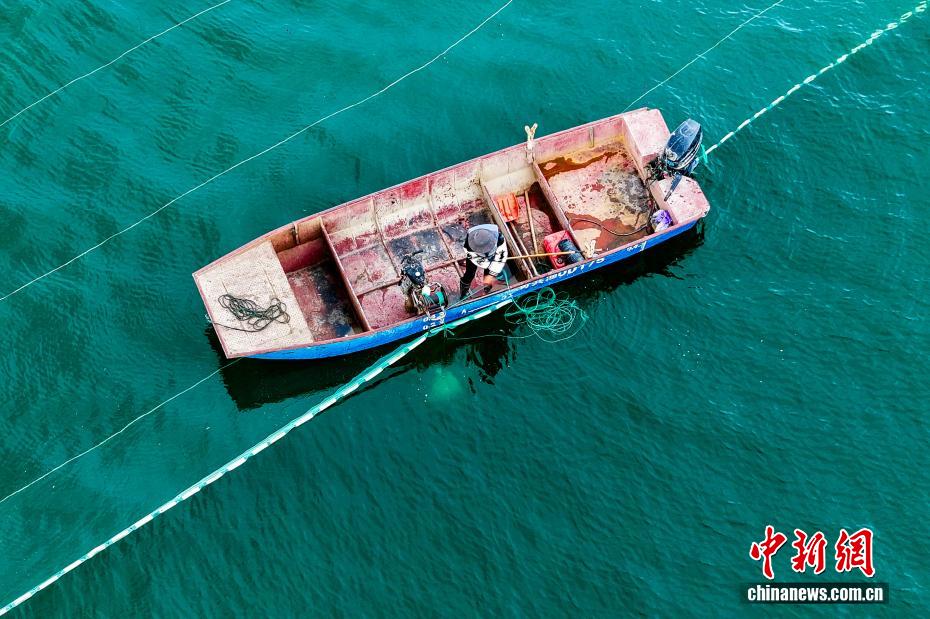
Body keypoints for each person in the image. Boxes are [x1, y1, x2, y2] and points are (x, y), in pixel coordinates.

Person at [459, 223, 508, 299]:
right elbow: (471, 255)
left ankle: (486, 291)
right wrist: (484, 263)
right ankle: (463, 293)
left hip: (491, 257)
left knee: (489, 275)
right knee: (469, 274)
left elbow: (501, 257)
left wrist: (491, 275)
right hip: (476, 257)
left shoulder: (499, 239)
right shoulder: (469, 241)